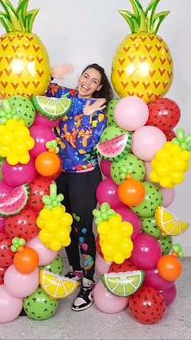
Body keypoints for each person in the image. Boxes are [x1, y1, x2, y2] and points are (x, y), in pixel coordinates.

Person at [47, 63, 113, 311]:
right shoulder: (68, 97)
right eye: (85, 76)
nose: (87, 81)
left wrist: (84, 113)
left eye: (94, 81)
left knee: (84, 229)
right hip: (61, 174)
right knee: (66, 227)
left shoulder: (99, 110)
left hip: (85, 177)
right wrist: (53, 74)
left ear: (99, 87)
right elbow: (40, 94)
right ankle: (75, 271)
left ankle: (87, 284)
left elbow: (83, 144)